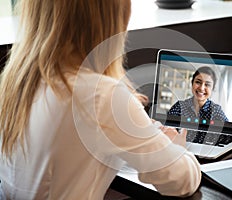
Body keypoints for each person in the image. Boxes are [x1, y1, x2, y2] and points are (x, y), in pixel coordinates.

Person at [0, 0, 201, 199]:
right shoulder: (101, 96)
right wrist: (175, 148)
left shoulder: (16, 83)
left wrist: (141, 132)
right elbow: (181, 181)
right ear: (112, 18)